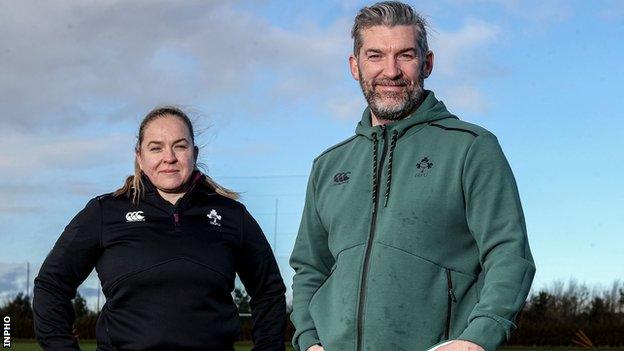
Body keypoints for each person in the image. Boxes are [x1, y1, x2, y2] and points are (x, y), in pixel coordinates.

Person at [289, 2, 535, 351]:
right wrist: (309, 341)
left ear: (427, 63)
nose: (390, 71)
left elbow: (510, 255)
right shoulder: (328, 165)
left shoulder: (472, 147)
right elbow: (309, 268)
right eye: (375, 56)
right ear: (354, 66)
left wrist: (477, 339)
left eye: (405, 55)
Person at [33, 106, 287, 351]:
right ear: (139, 157)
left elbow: (269, 291)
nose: (169, 157)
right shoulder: (104, 212)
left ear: (194, 154)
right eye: (156, 148)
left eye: (180, 146)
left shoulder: (232, 215)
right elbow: (51, 285)